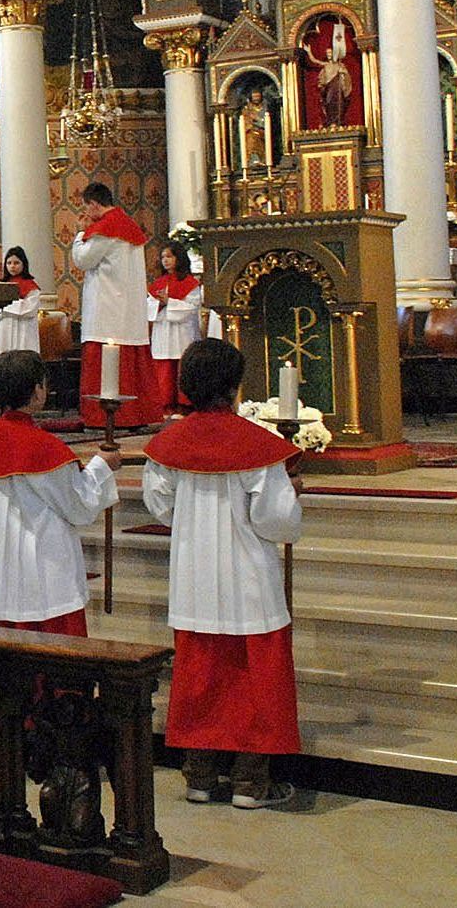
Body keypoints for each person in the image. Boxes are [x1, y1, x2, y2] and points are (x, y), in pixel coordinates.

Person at [143, 339, 303, 808]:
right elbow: (274, 520)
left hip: (194, 572)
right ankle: (251, 783)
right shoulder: (256, 447)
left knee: (200, 674)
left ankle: (199, 776)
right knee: (254, 676)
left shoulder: (167, 446)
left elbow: (160, 505)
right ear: (234, 388)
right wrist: (292, 493)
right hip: (248, 573)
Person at [0, 349, 119, 635]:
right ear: (38, 391)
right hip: (43, 571)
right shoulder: (44, 448)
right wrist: (102, 466)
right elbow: (79, 506)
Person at [72, 181, 162, 429]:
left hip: (106, 307)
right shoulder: (128, 226)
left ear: (93, 204)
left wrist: (80, 234)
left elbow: (83, 260)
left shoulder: (105, 229)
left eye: (86, 207)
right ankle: (137, 414)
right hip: (128, 308)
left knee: (102, 359)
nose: (86, 213)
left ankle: (102, 418)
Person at [148, 246, 205, 414]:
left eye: (169, 256)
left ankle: (184, 405)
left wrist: (170, 303)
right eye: (163, 257)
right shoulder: (158, 283)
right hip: (163, 330)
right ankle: (166, 405)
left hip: (182, 331)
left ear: (179, 258)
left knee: (182, 366)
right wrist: (159, 303)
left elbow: (192, 307)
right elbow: (148, 306)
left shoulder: (189, 283)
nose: (165, 260)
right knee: (164, 368)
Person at [0, 246, 43, 355]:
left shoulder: (31, 286)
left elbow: (29, 309)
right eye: (9, 263)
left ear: (24, 264)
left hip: (24, 328)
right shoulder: (1, 286)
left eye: (16, 263)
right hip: (5, 328)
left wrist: (5, 307)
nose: (12, 266)